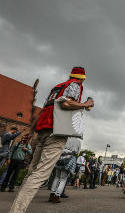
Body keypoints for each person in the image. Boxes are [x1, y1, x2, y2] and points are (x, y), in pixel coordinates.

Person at [9, 67, 94, 213]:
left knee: (32, 172)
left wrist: (31, 131)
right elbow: (66, 104)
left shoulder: (58, 88)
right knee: (41, 174)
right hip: (56, 132)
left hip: (42, 131)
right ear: (82, 78)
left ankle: (17, 207)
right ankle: (16, 211)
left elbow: (43, 110)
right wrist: (86, 104)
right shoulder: (75, 85)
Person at [49, 137, 81, 203]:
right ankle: (57, 196)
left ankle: (52, 195)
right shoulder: (78, 141)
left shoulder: (65, 138)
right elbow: (78, 152)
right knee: (63, 179)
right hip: (69, 159)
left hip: (60, 157)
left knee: (56, 177)